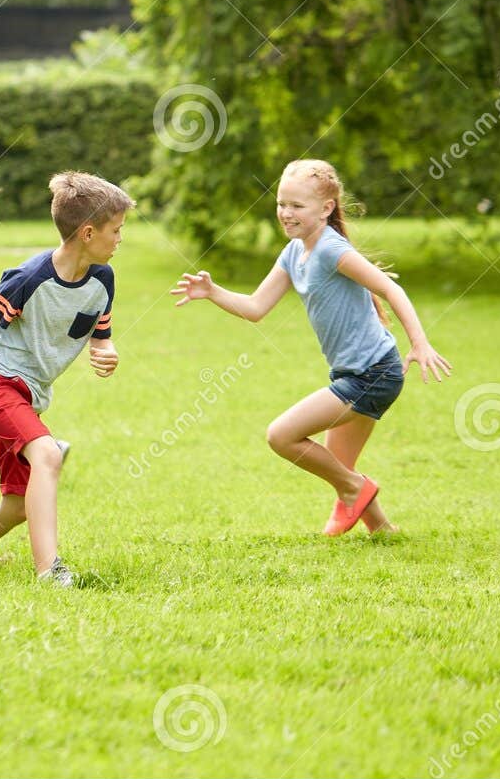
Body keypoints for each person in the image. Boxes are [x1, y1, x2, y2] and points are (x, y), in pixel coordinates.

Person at [172, 158, 450, 536]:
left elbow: (390, 288)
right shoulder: (294, 252)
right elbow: (256, 308)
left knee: (282, 435)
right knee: (338, 464)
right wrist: (212, 291)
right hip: (353, 372)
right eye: (281, 204)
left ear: (326, 208)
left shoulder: (331, 250)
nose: (285, 213)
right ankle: (382, 530)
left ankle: (355, 488)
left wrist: (419, 343)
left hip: (373, 373)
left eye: (296, 206)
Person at [0, 172, 132, 588]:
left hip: (30, 394)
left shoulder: (102, 279)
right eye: (116, 230)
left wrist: (105, 353)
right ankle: (49, 572)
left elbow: (100, 338)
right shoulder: (29, 278)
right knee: (48, 455)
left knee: (17, 505)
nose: (119, 239)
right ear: (88, 232)